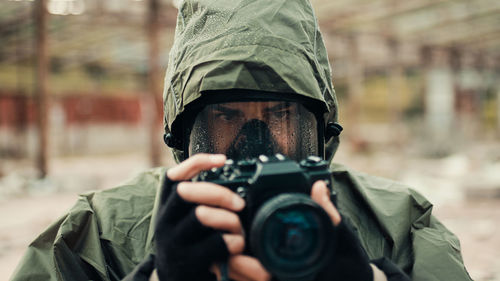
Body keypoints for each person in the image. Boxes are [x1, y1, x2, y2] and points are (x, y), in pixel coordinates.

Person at [11, 0, 472, 280]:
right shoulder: (99, 235)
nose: (257, 142)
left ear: (320, 131)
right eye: (228, 117)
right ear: (184, 134)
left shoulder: (397, 225)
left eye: (279, 116)